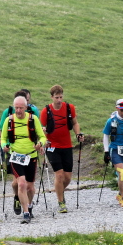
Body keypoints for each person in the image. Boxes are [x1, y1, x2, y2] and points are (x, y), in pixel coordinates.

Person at [1, 95, 47, 224]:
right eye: (16, 108)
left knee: (30, 188)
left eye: (21, 108)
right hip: (15, 156)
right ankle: (26, 213)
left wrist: (40, 144)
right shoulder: (9, 120)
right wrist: (4, 146)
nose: (18, 110)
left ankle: (29, 204)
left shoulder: (33, 119)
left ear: (26, 107)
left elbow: (42, 137)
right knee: (21, 184)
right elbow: (3, 138)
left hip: (31, 156)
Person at [40, 85, 85, 213]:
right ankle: (61, 202)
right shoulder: (46, 111)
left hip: (66, 145)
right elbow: (41, 128)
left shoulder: (69, 108)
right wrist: (43, 138)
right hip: (52, 146)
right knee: (59, 175)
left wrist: (78, 134)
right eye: (56, 97)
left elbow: (75, 123)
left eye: (61, 97)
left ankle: (60, 191)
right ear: (52, 97)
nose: (59, 100)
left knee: (68, 177)